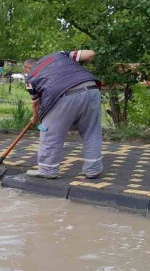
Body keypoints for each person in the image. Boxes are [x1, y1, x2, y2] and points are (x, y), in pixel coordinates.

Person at [22, 50, 103, 179]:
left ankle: (48, 170)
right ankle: (93, 169)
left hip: (63, 95)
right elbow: (90, 54)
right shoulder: (59, 55)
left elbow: (36, 104)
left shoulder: (30, 77)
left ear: (27, 67)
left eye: (24, 71)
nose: (26, 74)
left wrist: (36, 119)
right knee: (92, 131)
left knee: (48, 131)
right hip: (92, 90)